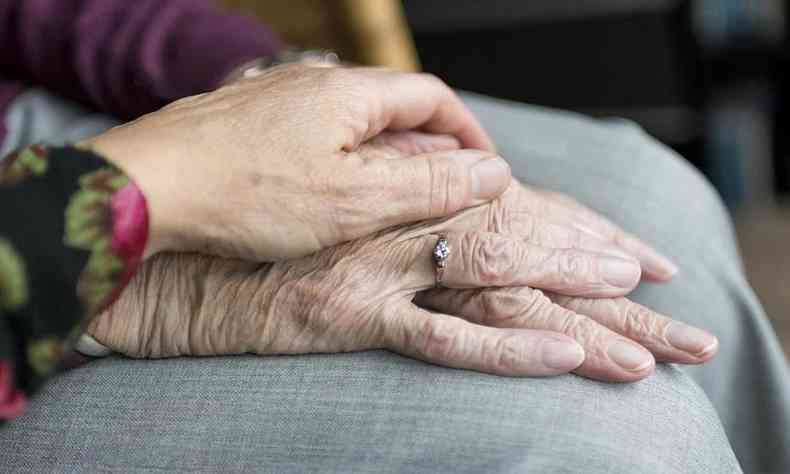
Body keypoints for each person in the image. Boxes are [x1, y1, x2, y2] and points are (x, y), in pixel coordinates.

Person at [0, 1, 787, 473]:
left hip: (45, 128)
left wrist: (263, 86)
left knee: (646, 197)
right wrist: (145, 277)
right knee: (611, 435)